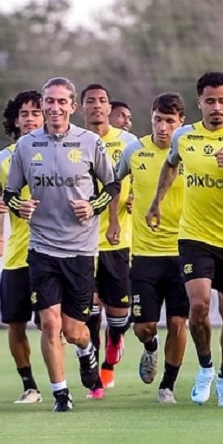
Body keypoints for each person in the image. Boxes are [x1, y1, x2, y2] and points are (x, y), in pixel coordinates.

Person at [149, 71, 223, 407]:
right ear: (199, 102)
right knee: (198, 306)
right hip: (194, 237)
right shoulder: (184, 137)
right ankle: (205, 368)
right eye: (210, 101)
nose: (217, 107)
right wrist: (156, 202)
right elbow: (170, 165)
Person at [3, 77, 117, 412]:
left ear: (72, 107)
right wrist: (18, 207)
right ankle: (61, 394)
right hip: (42, 249)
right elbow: (9, 195)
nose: (54, 108)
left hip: (80, 250)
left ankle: (86, 351)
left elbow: (111, 186)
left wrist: (93, 206)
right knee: (50, 324)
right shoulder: (27, 146)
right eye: (48, 102)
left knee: (74, 330)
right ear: (42, 105)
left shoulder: (90, 142)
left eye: (61, 102)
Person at [115, 93, 190, 403]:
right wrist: (114, 218)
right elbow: (112, 183)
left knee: (177, 322)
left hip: (184, 251)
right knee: (144, 327)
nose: (162, 127)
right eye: (158, 120)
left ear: (181, 123)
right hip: (145, 255)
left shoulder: (190, 150)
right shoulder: (134, 151)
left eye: (170, 121)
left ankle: (167, 386)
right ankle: (150, 347)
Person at [0, 89, 45, 404]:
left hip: (55, 254)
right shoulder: (1, 161)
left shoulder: (62, 153)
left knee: (58, 324)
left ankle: (72, 366)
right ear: (15, 121)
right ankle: (30, 385)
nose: (31, 119)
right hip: (18, 256)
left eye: (37, 112)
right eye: (25, 113)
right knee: (16, 323)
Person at [81, 83, 139, 396]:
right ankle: (95, 375)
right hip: (81, 239)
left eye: (102, 101)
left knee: (118, 315)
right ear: (82, 108)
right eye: (91, 101)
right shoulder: (75, 142)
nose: (97, 106)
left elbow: (145, 176)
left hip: (118, 239)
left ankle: (114, 344)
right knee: (89, 310)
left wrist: (136, 201)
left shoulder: (128, 142)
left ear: (108, 107)